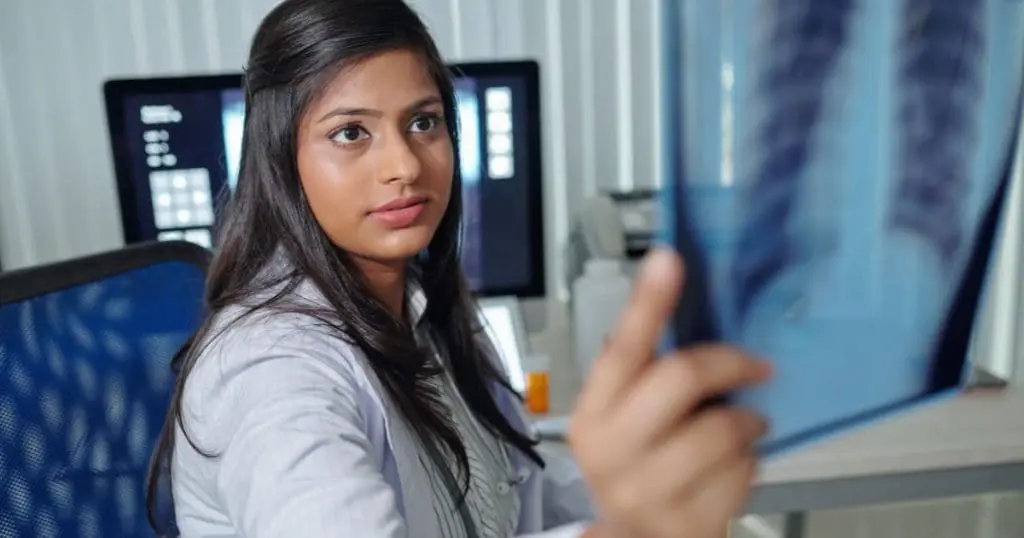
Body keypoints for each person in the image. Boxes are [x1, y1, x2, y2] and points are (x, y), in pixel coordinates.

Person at [146, 0, 772, 536]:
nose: (405, 166)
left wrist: (648, 483)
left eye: (423, 123)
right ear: (281, 160)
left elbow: (524, 507)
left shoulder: (426, 308)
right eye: (351, 134)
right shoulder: (271, 369)